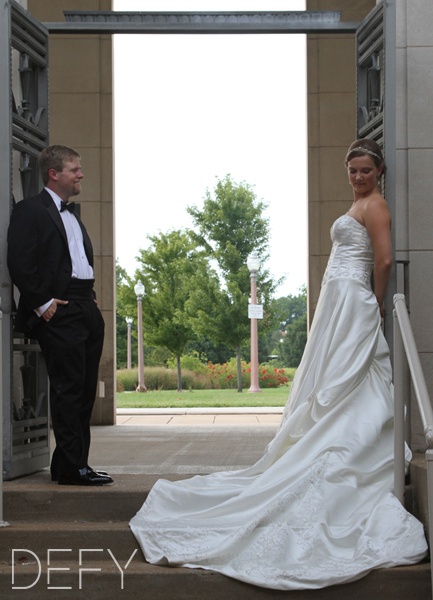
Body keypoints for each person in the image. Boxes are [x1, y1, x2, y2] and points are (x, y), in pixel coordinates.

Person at [129, 139, 428, 590]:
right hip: (338, 298)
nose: (359, 177)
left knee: (353, 375)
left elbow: (383, 259)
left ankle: (353, 447)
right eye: (353, 170)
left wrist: (376, 302)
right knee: (333, 374)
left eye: (366, 170)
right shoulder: (359, 203)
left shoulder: (377, 205)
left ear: (380, 170)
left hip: (354, 298)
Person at [7, 145, 113, 487]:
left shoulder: (72, 214)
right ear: (54, 174)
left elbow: (76, 264)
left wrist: (91, 299)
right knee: (68, 391)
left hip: (85, 309)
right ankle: (71, 469)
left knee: (83, 393)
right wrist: (43, 304)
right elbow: (21, 262)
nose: (80, 174)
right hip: (60, 311)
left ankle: (71, 463)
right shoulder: (29, 211)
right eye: (74, 169)